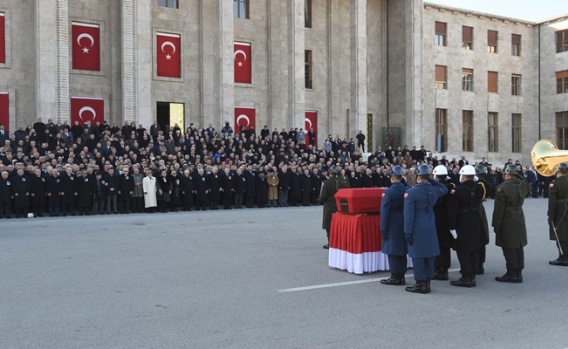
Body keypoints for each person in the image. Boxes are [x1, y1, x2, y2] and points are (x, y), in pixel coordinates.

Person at [404, 164, 448, 294]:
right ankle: (427, 281)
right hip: (430, 225)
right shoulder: (433, 190)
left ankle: (420, 284)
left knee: (417, 256)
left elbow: (408, 215)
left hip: (417, 226)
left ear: (417, 177)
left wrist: (407, 231)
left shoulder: (411, 193)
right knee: (429, 254)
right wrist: (431, 179)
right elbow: (443, 188)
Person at [448, 165, 487, 288]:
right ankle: (473, 275)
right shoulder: (478, 188)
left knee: (463, 250)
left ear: (463, 176)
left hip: (462, 221)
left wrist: (451, 227)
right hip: (476, 219)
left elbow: (452, 211)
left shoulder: (457, 190)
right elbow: (488, 189)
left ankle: (466, 276)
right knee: (474, 248)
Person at [492, 164, 530, 283]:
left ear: (506, 174)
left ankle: (512, 273)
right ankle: (518, 271)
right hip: (519, 215)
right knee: (518, 244)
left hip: (507, 218)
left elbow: (499, 210)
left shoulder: (502, 188)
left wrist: (495, 225)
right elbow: (526, 184)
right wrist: (517, 174)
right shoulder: (522, 185)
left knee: (509, 246)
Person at [380, 165, 409, 286]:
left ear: (392, 177)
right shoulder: (407, 189)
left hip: (393, 221)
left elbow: (385, 211)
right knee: (402, 249)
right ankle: (401, 274)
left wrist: (383, 227)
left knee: (392, 250)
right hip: (404, 220)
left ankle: (395, 276)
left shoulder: (389, 192)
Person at [432, 165, 455, 281]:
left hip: (438, 218)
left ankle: (438, 270)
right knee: (445, 245)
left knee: (438, 245)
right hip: (447, 218)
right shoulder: (451, 187)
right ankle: (444, 269)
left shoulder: (436, 188)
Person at [318, 165, 349, 249]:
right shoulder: (342, 182)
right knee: (338, 224)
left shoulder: (327, 183)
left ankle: (331, 242)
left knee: (329, 225)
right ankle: (339, 242)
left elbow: (323, 196)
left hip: (329, 204)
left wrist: (320, 200)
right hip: (339, 205)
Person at [547, 162, 568, 266]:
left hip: (560, 210)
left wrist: (550, 216)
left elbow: (552, 202)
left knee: (560, 233)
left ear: (558, 171)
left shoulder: (554, 184)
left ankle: (563, 257)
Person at [475, 164, 491, 274]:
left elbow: (483, 194)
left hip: (477, 211)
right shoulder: (482, 183)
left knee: (478, 237)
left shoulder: (480, 184)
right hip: (479, 210)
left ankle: (478, 264)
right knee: (480, 237)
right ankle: (479, 264)